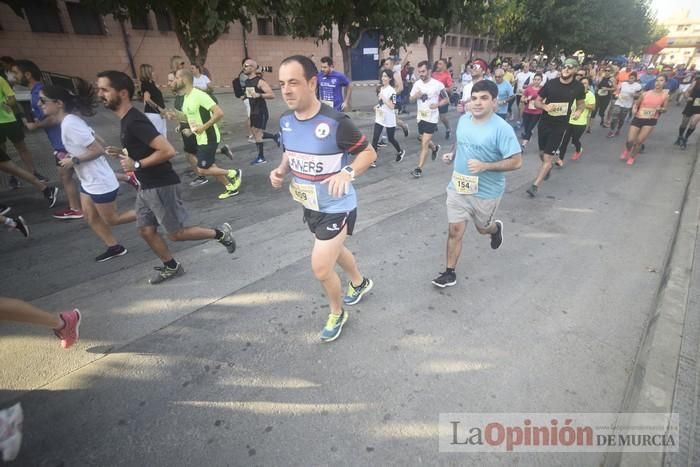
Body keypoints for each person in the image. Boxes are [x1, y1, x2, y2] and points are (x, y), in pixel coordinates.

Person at [270, 55, 376, 342]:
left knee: (320, 266)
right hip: (310, 205)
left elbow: (368, 153)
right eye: (282, 84)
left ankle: (337, 311)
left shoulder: (336, 122)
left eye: (294, 82)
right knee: (334, 249)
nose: (287, 90)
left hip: (337, 206)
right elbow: (290, 152)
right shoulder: (286, 121)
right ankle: (360, 282)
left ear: (312, 83)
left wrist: (347, 173)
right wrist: (280, 170)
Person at [96, 70, 237, 284]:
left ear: (123, 93)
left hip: (160, 184)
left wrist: (136, 164)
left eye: (104, 90)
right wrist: (124, 152)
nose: (100, 94)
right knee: (146, 229)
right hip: (146, 185)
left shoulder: (134, 121)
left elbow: (168, 150)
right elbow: (144, 149)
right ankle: (171, 266)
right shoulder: (127, 120)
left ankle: (220, 234)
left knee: (176, 233)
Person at [432, 80, 522, 288]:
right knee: (455, 230)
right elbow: (461, 140)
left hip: (486, 192)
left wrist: (485, 166)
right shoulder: (464, 120)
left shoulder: (502, 129)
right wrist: (452, 154)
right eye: (474, 98)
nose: (478, 103)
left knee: (482, 228)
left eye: (484, 98)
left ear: (494, 102)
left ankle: (494, 229)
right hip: (459, 186)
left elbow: (516, 162)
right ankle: (449, 272)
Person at [41, 81, 138, 261]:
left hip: (99, 181)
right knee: (89, 215)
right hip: (88, 180)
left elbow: (97, 149)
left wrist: (74, 160)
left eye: (43, 100)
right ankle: (114, 247)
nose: (40, 104)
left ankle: (154, 211)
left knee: (113, 219)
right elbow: (94, 137)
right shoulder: (69, 121)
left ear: (59, 103)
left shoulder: (70, 123)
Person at [11, 60, 81, 219]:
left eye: (15, 73)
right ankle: (127, 178)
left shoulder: (41, 92)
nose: (13, 76)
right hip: (61, 141)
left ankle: (76, 209)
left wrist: (36, 125)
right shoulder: (38, 91)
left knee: (67, 175)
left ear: (27, 74)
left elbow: (54, 118)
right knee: (78, 171)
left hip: (62, 142)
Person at [171, 68, 242, 199]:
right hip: (200, 138)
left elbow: (219, 113)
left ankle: (234, 173)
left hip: (209, 137)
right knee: (210, 166)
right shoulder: (186, 97)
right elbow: (189, 118)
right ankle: (231, 187)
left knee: (202, 169)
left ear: (184, 79)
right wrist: (179, 123)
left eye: (176, 78)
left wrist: (203, 127)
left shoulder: (199, 95)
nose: (174, 81)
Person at [526, 58, 585, 197]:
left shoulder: (578, 87)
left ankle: (535, 185)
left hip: (560, 126)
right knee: (542, 153)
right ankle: (548, 167)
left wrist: (578, 111)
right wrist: (545, 106)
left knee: (547, 157)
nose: (566, 69)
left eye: (570, 67)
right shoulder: (551, 84)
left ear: (575, 70)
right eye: (564, 66)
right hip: (545, 123)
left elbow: (581, 104)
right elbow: (537, 102)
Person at [0, 74, 48, 187]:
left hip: (8, 121)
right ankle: (13, 178)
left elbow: (11, 97)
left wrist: (7, 105)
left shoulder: (0, 80)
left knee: (21, 148)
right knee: (3, 153)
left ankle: (33, 173)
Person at [409, 60, 448, 178]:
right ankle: (435, 148)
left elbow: (446, 99)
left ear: (429, 71)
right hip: (421, 117)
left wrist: (437, 105)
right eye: (419, 71)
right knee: (421, 138)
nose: (421, 74)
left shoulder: (438, 84)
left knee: (424, 143)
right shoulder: (417, 84)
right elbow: (410, 99)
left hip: (432, 118)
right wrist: (416, 96)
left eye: (423, 71)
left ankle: (419, 169)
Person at [620, 75, 668, 166]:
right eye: (657, 80)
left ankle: (632, 157)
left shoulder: (665, 96)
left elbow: (665, 109)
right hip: (638, 118)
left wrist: (661, 109)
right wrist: (634, 109)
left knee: (639, 141)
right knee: (630, 140)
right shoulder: (646, 93)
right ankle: (627, 150)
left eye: (661, 80)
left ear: (665, 83)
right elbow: (636, 104)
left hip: (650, 120)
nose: (658, 82)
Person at [242, 59, 280, 165]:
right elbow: (250, 94)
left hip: (260, 111)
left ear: (253, 68)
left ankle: (261, 157)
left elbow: (272, 95)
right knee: (255, 133)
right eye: (244, 66)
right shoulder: (247, 82)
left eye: (246, 65)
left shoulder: (260, 82)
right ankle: (275, 136)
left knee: (257, 134)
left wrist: (260, 95)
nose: (244, 67)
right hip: (253, 111)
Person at [371, 69, 405, 163]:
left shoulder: (392, 91)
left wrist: (384, 98)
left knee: (391, 138)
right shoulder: (381, 88)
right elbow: (381, 103)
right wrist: (377, 106)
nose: (383, 78)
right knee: (375, 138)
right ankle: (373, 160)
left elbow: (392, 106)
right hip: (380, 117)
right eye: (382, 76)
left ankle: (400, 151)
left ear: (390, 78)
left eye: (386, 76)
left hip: (389, 118)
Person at [560, 76, 596, 163]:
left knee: (575, 140)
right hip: (569, 120)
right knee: (564, 140)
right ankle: (560, 159)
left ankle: (579, 149)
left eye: (585, 83)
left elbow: (593, 107)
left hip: (581, 122)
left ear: (589, 85)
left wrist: (582, 104)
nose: (583, 85)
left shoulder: (590, 95)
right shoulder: (575, 92)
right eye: (581, 83)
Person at [607, 72, 642, 138]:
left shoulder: (637, 86)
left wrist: (634, 95)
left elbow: (640, 94)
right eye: (629, 78)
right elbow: (618, 91)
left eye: (632, 78)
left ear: (635, 79)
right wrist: (617, 95)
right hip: (619, 102)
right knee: (614, 117)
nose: (630, 79)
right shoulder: (623, 84)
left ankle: (618, 129)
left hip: (627, 105)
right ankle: (611, 131)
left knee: (621, 119)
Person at [138, 64, 167, 137]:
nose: (154, 73)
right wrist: (159, 108)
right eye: (152, 71)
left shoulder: (151, 83)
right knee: (158, 135)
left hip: (157, 113)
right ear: (147, 73)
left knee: (162, 133)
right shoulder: (146, 84)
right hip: (154, 114)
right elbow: (147, 99)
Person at [232, 58, 254, 143]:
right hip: (248, 98)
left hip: (248, 97)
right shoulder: (244, 75)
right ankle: (251, 135)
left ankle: (251, 134)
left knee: (251, 116)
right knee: (251, 117)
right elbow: (250, 87)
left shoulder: (246, 74)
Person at [520, 73, 544, 148]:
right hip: (527, 111)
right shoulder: (528, 89)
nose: (536, 81)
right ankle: (528, 135)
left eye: (538, 80)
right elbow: (522, 98)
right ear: (533, 80)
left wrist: (541, 102)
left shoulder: (543, 90)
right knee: (526, 126)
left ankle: (524, 142)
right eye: (535, 79)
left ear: (541, 80)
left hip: (537, 112)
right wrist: (526, 99)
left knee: (530, 127)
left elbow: (545, 100)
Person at [675, 77, 700, 150]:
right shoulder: (697, 81)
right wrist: (687, 97)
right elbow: (686, 91)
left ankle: (685, 139)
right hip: (691, 104)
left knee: (693, 123)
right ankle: (680, 137)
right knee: (684, 123)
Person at [432, 59, 453, 139]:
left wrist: (441, 88)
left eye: (440, 64)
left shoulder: (447, 75)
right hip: (433, 99)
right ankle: (433, 126)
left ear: (444, 65)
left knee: (442, 117)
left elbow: (450, 89)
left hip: (443, 100)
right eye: (437, 63)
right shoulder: (433, 74)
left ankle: (448, 128)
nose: (438, 65)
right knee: (431, 114)